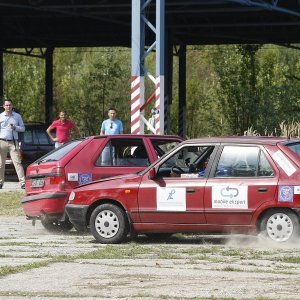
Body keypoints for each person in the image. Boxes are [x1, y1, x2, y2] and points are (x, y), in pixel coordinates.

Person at [0, 99, 25, 189]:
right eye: (6, 105)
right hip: (2, 141)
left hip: (13, 142)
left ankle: (22, 182)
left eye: (10, 105)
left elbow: (23, 128)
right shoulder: (0, 116)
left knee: (17, 162)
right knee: (1, 163)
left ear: (12, 105)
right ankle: (0, 182)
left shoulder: (17, 116)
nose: (8, 107)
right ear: (3, 106)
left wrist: (15, 127)